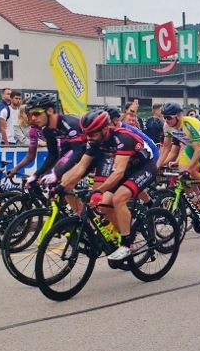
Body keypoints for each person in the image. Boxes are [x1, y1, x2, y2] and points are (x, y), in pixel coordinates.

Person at [60, 109, 157, 261]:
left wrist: (99, 190)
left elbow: (119, 172)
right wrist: (61, 185)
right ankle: (126, 234)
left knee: (119, 198)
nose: (89, 137)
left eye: (92, 133)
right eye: (86, 133)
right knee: (104, 206)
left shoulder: (122, 138)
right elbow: (81, 166)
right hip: (127, 168)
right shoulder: (94, 141)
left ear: (105, 129)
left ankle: (126, 245)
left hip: (144, 167)